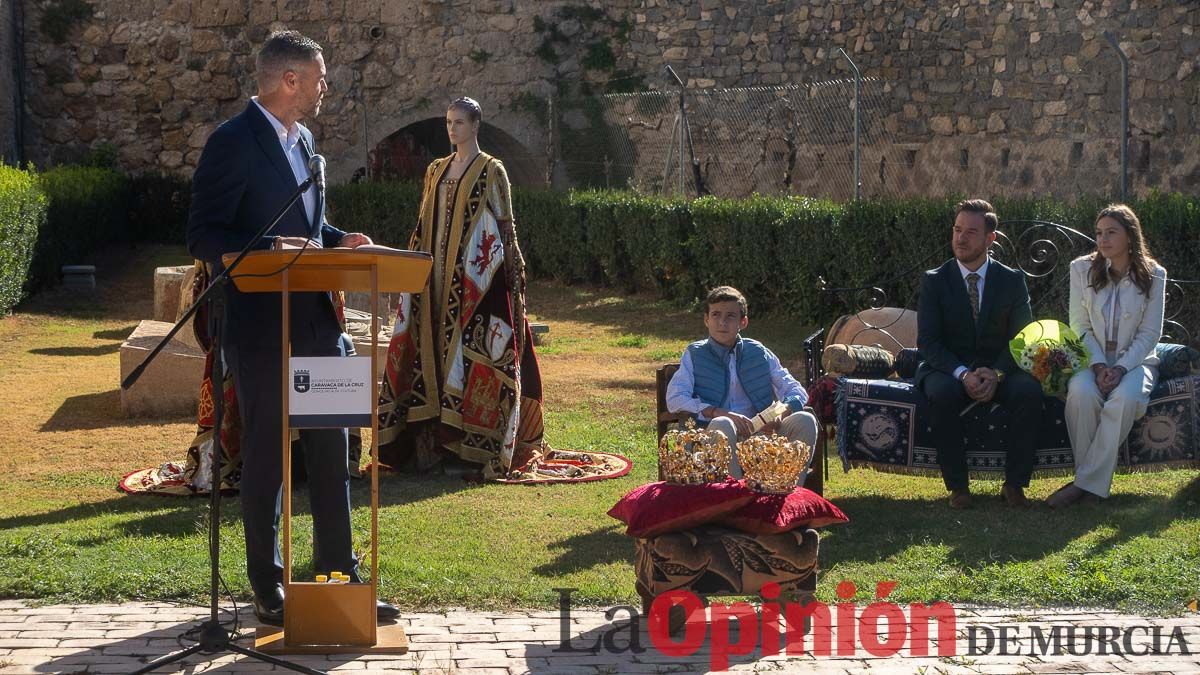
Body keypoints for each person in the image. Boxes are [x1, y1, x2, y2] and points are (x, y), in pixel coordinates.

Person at [186, 30, 397, 625]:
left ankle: (339, 579)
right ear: (289, 80)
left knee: (334, 450)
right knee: (268, 455)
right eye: (320, 77)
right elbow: (204, 234)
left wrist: (340, 240)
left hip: (318, 324)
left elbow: (312, 227)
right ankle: (268, 586)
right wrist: (262, 249)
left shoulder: (306, 141)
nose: (326, 86)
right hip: (258, 327)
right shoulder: (231, 143)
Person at [376, 97, 546, 479]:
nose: (452, 129)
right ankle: (428, 444)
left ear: (475, 125)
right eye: (449, 122)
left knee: (469, 357)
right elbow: (423, 224)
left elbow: (505, 224)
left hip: (475, 287)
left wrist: (514, 278)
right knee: (428, 355)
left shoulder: (491, 169)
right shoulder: (435, 169)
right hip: (432, 284)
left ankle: (469, 446)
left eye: (459, 123)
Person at [916, 199, 1042, 509]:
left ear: (990, 239)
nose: (961, 238)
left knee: (1029, 390)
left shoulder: (1012, 280)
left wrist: (997, 374)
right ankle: (958, 488)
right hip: (949, 369)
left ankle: (1014, 486)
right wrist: (962, 374)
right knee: (941, 393)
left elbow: (1023, 338)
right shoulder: (934, 280)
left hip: (999, 368)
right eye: (957, 230)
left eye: (971, 232)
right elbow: (928, 342)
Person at [1049, 205, 1166, 508]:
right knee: (1081, 392)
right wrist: (1100, 365)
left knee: (1124, 399)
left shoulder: (1154, 275)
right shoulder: (1081, 268)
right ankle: (1091, 487)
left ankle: (1083, 485)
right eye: (1099, 233)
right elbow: (1080, 326)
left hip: (1138, 362)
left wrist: (1122, 368)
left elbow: (1150, 334)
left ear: (1130, 236)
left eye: (1111, 232)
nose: (1103, 239)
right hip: (1092, 359)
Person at [665, 286, 818, 483]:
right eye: (716, 315)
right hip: (712, 434)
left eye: (730, 316)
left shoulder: (759, 352)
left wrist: (782, 412)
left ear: (742, 322)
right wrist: (717, 412)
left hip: (760, 435)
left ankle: (788, 497)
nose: (722, 322)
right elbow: (675, 399)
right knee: (723, 424)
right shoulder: (694, 354)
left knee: (805, 420)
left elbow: (797, 391)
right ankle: (735, 501)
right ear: (706, 320)